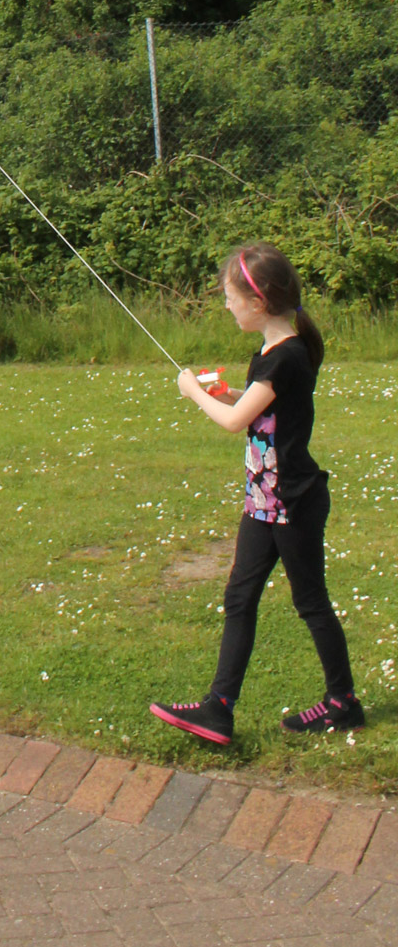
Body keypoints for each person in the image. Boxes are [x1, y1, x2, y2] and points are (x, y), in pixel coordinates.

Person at [149, 242, 364, 748]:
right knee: (239, 597)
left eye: (230, 297)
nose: (226, 305)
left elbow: (233, 423)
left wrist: (194, 393)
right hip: (264, 501)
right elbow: (256, 411)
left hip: (291, 501)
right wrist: (226, 392)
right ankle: (218, 709)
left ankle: (343, 704)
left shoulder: (285, 356)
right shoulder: (269, 354)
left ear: (259, 301)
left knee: (310, 601)